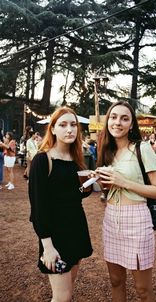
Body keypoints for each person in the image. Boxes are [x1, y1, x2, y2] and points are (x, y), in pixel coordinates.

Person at [95, 101, 156, 302]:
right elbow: (108, 190)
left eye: (124, 118)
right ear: (108, 121)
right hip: (111, 220)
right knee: (116, 281)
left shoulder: (142, 148)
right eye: (114, 117)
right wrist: (101, 181)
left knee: (143, 288)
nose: (118, 122)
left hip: (137, 220)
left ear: (131, 124)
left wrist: (123, 182)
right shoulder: (106, 151)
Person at [28, 106, 93, 302]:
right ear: (53, 129)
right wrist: (47, 246)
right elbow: (38, 207)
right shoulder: (42, 160)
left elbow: (74, 196)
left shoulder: (76, 160)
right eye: (63, 125)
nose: (69, 129)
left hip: (77, 229)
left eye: (73, 125)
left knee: (68, 289)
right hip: (56, 236)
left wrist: (88, 186)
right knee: (62, 297)